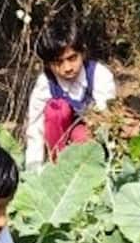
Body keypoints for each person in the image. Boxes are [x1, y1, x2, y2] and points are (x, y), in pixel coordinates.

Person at [24, 10, 117, 169]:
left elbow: (107, 122)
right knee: (57, 110)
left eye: (72, 58)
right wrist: (34, 168)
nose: (67, 68)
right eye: (58, 62)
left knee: (82, 135)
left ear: (83, 53)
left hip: (90, 143)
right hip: (58, 141)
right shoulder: (45, 83)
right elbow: (35, 127)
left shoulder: (99, 76)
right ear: (48, 64)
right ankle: (58, 167)